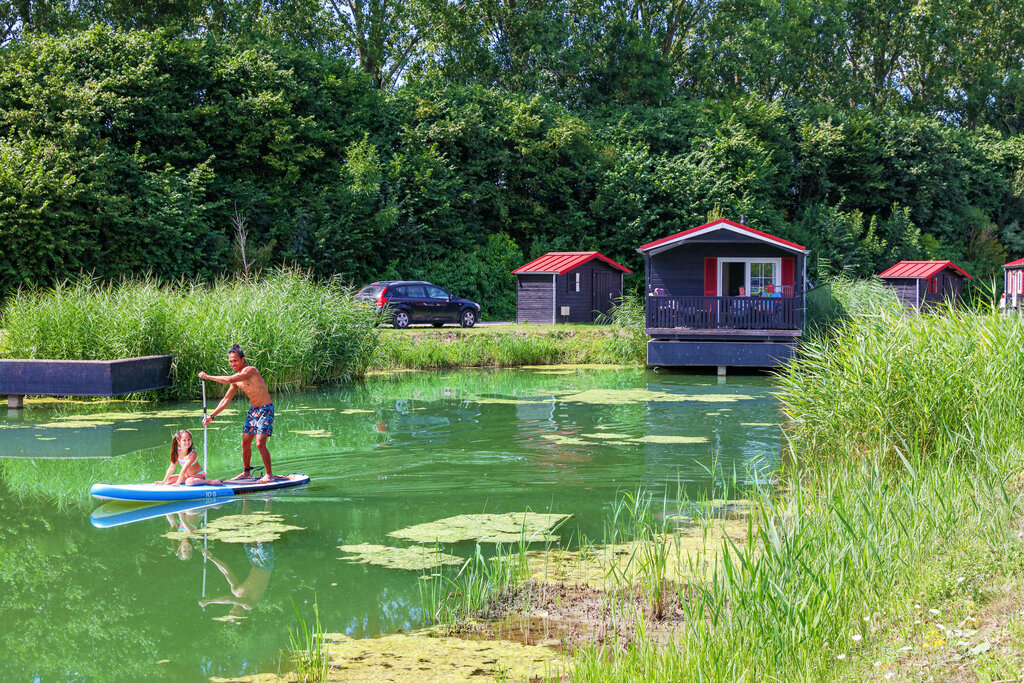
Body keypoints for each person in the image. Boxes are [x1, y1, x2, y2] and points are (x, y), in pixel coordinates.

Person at [199, 344, 279, 483]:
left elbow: (230, 379)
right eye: (230, 361)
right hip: (253, 411)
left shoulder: (250, 371)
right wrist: (212, 416)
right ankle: (246, 473)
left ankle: (269, 475)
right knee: (245, 443)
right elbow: (226, 400)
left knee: (260, 443)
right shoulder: (237, 381)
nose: (232, 364)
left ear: (242, 359)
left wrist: (207, 376)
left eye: (235, 360)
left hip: (266, 409)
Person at [155, 429, 222, 486]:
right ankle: (185, 480)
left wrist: (178, 483)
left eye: (189, 439)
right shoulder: (177, 452)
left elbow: (184, 469)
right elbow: (171, 467)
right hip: (187, 476)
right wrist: (163, 481)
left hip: (198, 475)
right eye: (184, 440)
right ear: (179, 441)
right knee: (169, 479)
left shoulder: (192, 453)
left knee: (189, 482)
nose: (187, 442)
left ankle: (208, 481)